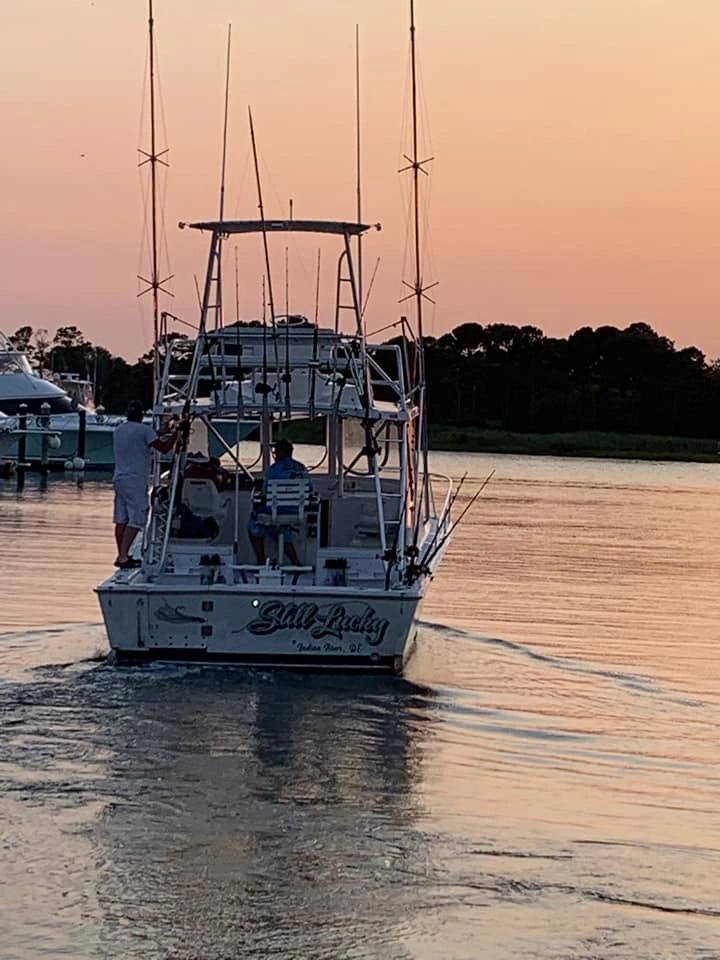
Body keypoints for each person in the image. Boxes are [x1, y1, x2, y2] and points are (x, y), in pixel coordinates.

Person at [112, 400, 176, 569]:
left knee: (121, 519)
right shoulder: (145, 431)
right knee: (138, 517)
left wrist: (158, 432)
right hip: (135, 480)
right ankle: (124, 557)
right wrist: (177, 435)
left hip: (119, 479)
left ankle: (122, 554)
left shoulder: (119, 430)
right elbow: (163, 448)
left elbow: (140, 438)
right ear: (141, 414)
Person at [248, 438, 309, 565]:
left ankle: (260, 561)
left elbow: (265, 493)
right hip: (296, 512)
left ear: (281, 453)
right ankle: (296, 563)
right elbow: (309, 489)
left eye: (276, 452)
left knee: (254, 523)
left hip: (276, 511)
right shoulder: (302, 468)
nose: (274, 455)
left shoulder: (273, 469)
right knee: (280, 528)